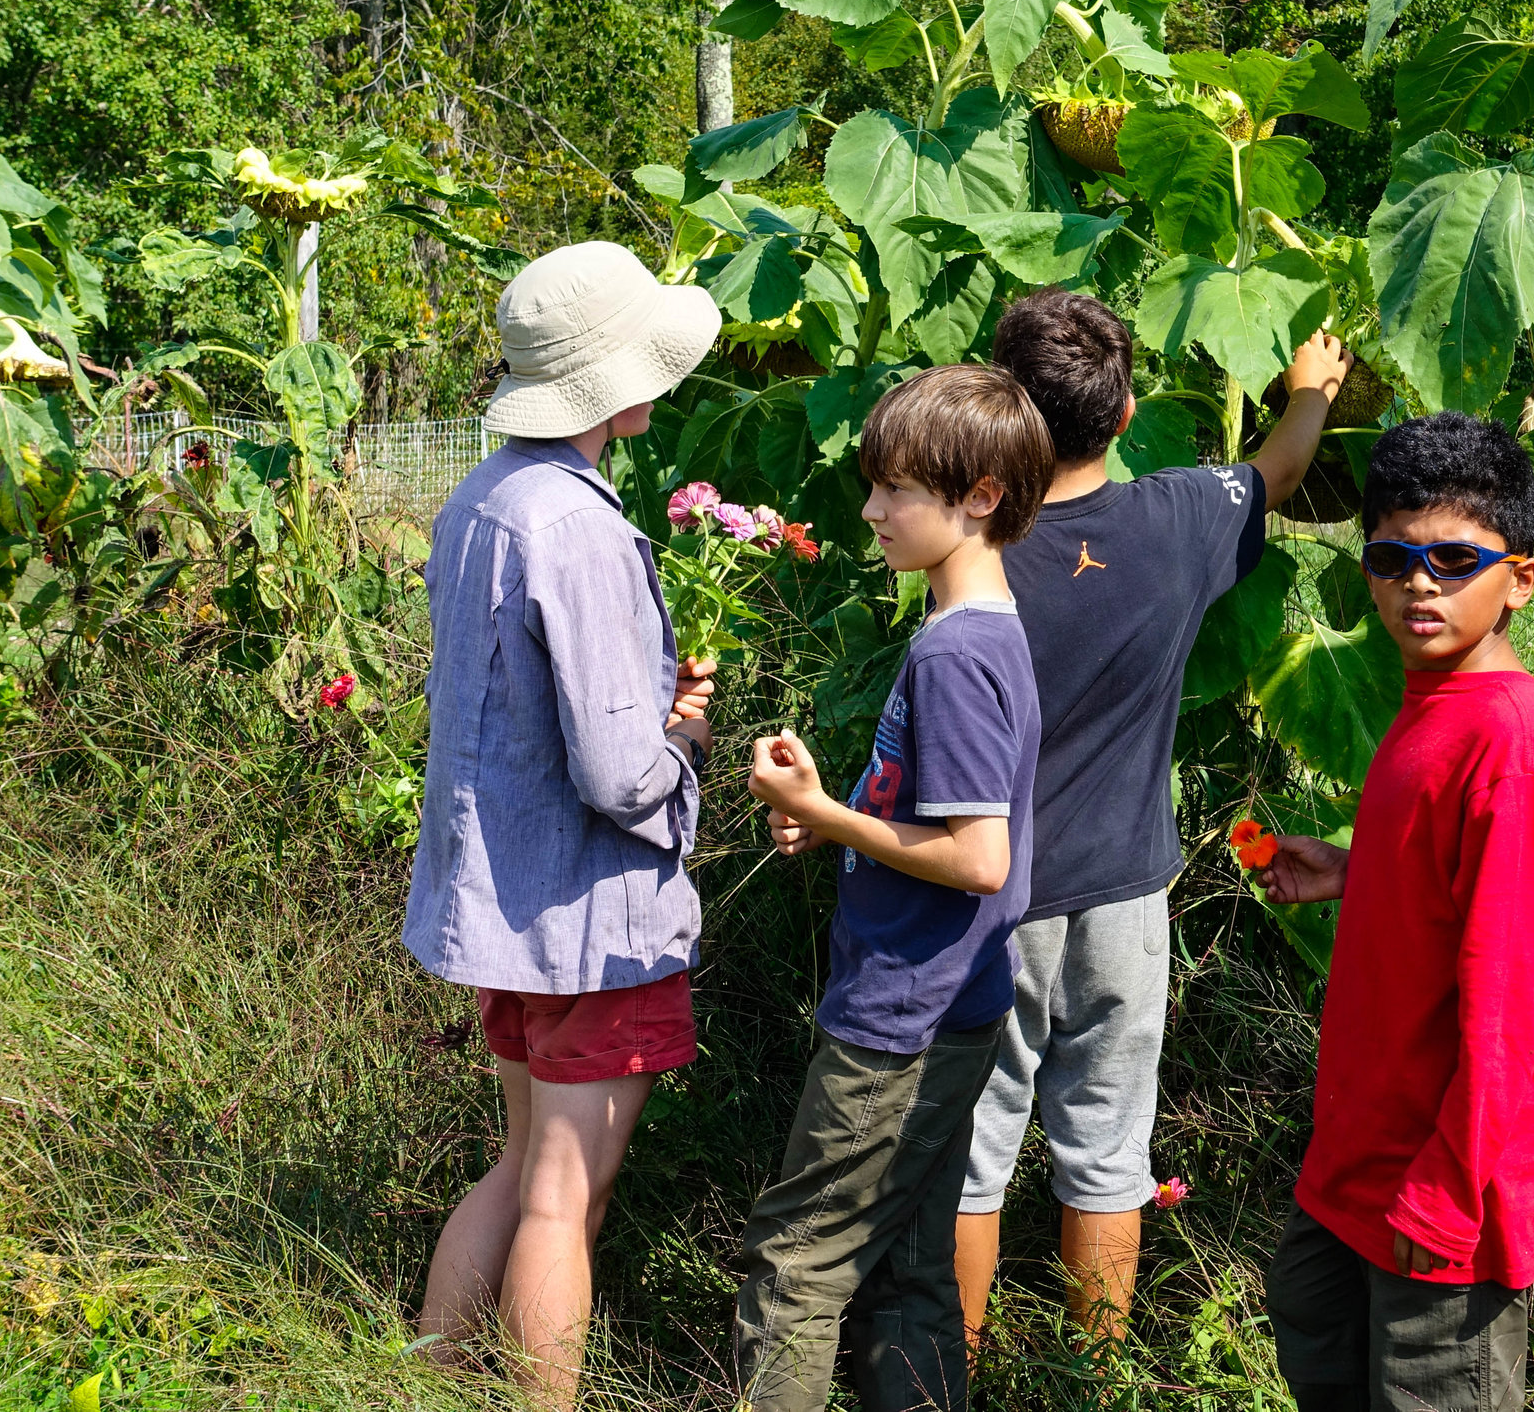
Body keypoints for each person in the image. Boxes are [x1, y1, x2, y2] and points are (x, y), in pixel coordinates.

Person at [956, 288, 1348, 1345]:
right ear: (1126, 412)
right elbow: (1278, 469)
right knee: (1108, 1143)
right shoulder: (1176, 517)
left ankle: (958, 1367)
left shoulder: (969, 542)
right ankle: (1097, 1366)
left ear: (1002, 408)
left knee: (974, 1150)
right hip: (1128, 891)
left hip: (992, 891)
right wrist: (1309, 387)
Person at [400, 241, 723, 1408]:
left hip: (505, 896)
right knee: (560, 1195)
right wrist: (682, 737)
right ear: (612, 387)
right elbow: (616, 769)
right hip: (591, 912)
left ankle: (430, 1384)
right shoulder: (579, 526)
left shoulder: (482, 498)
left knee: (521, 1163)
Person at [735, 363, 1055, 1412]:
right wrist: (831, 807)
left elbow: (976, 856)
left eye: (896, 489)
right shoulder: (986, 628)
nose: (870, 508)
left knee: (799, 1263)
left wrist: (828, 818)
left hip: (901, 1014)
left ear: (980, 498)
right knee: (908, 1272)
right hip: (951, 1002)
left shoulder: (957, 653)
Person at [1251, 411, 1534, 1412]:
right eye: (1391, 556)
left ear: (1518, 577)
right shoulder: (1432, 696)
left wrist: (1444, 1193)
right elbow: (1459, 881)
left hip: (1444, 1186)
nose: (1418, 580)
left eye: (1452, 557)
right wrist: (1358, 866)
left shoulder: (1509, 739)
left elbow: (1515, 1002)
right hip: (1363, 1157)